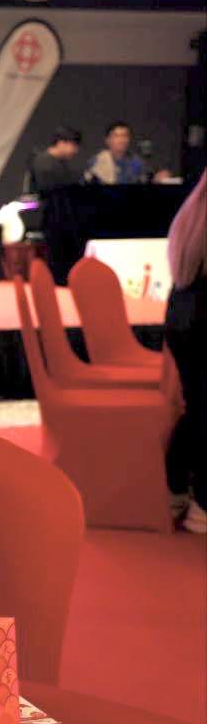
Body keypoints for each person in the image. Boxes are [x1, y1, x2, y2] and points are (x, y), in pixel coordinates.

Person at [165, 170, 207, 533]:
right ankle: (200, 505)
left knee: (198, 407)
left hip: (183, 317)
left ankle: (177, 490)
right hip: (198, 322)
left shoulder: (191, 212)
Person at [26, 126, 82, 194]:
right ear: (61, 143)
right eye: (74, 145)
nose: (76, 150)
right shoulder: (44, 163)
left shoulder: (57, 163)